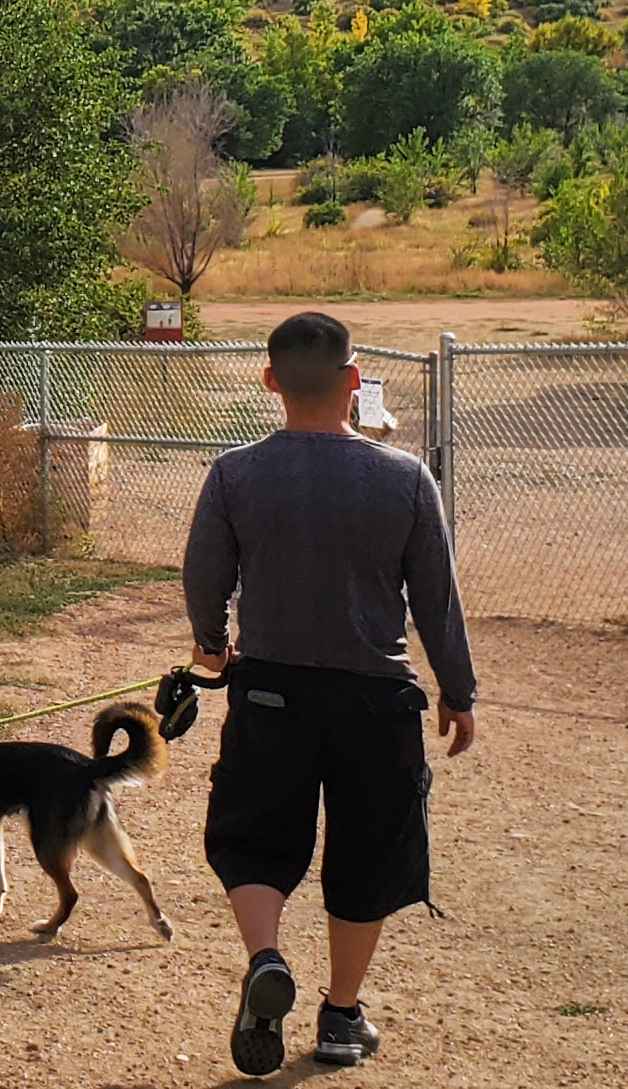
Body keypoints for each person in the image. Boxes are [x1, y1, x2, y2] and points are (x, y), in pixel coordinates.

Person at [184, 310, 477, 1076]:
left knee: (253, 837)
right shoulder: (406, 478)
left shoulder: (234, 473)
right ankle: (342, 1016)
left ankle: (266, 958)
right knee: (368, 852)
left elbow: (204, 574)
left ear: (269, 380)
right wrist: (458, 689)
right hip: (375, 702)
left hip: (270, 693)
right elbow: (436, 598)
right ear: (354, 381)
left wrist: (212, 643)